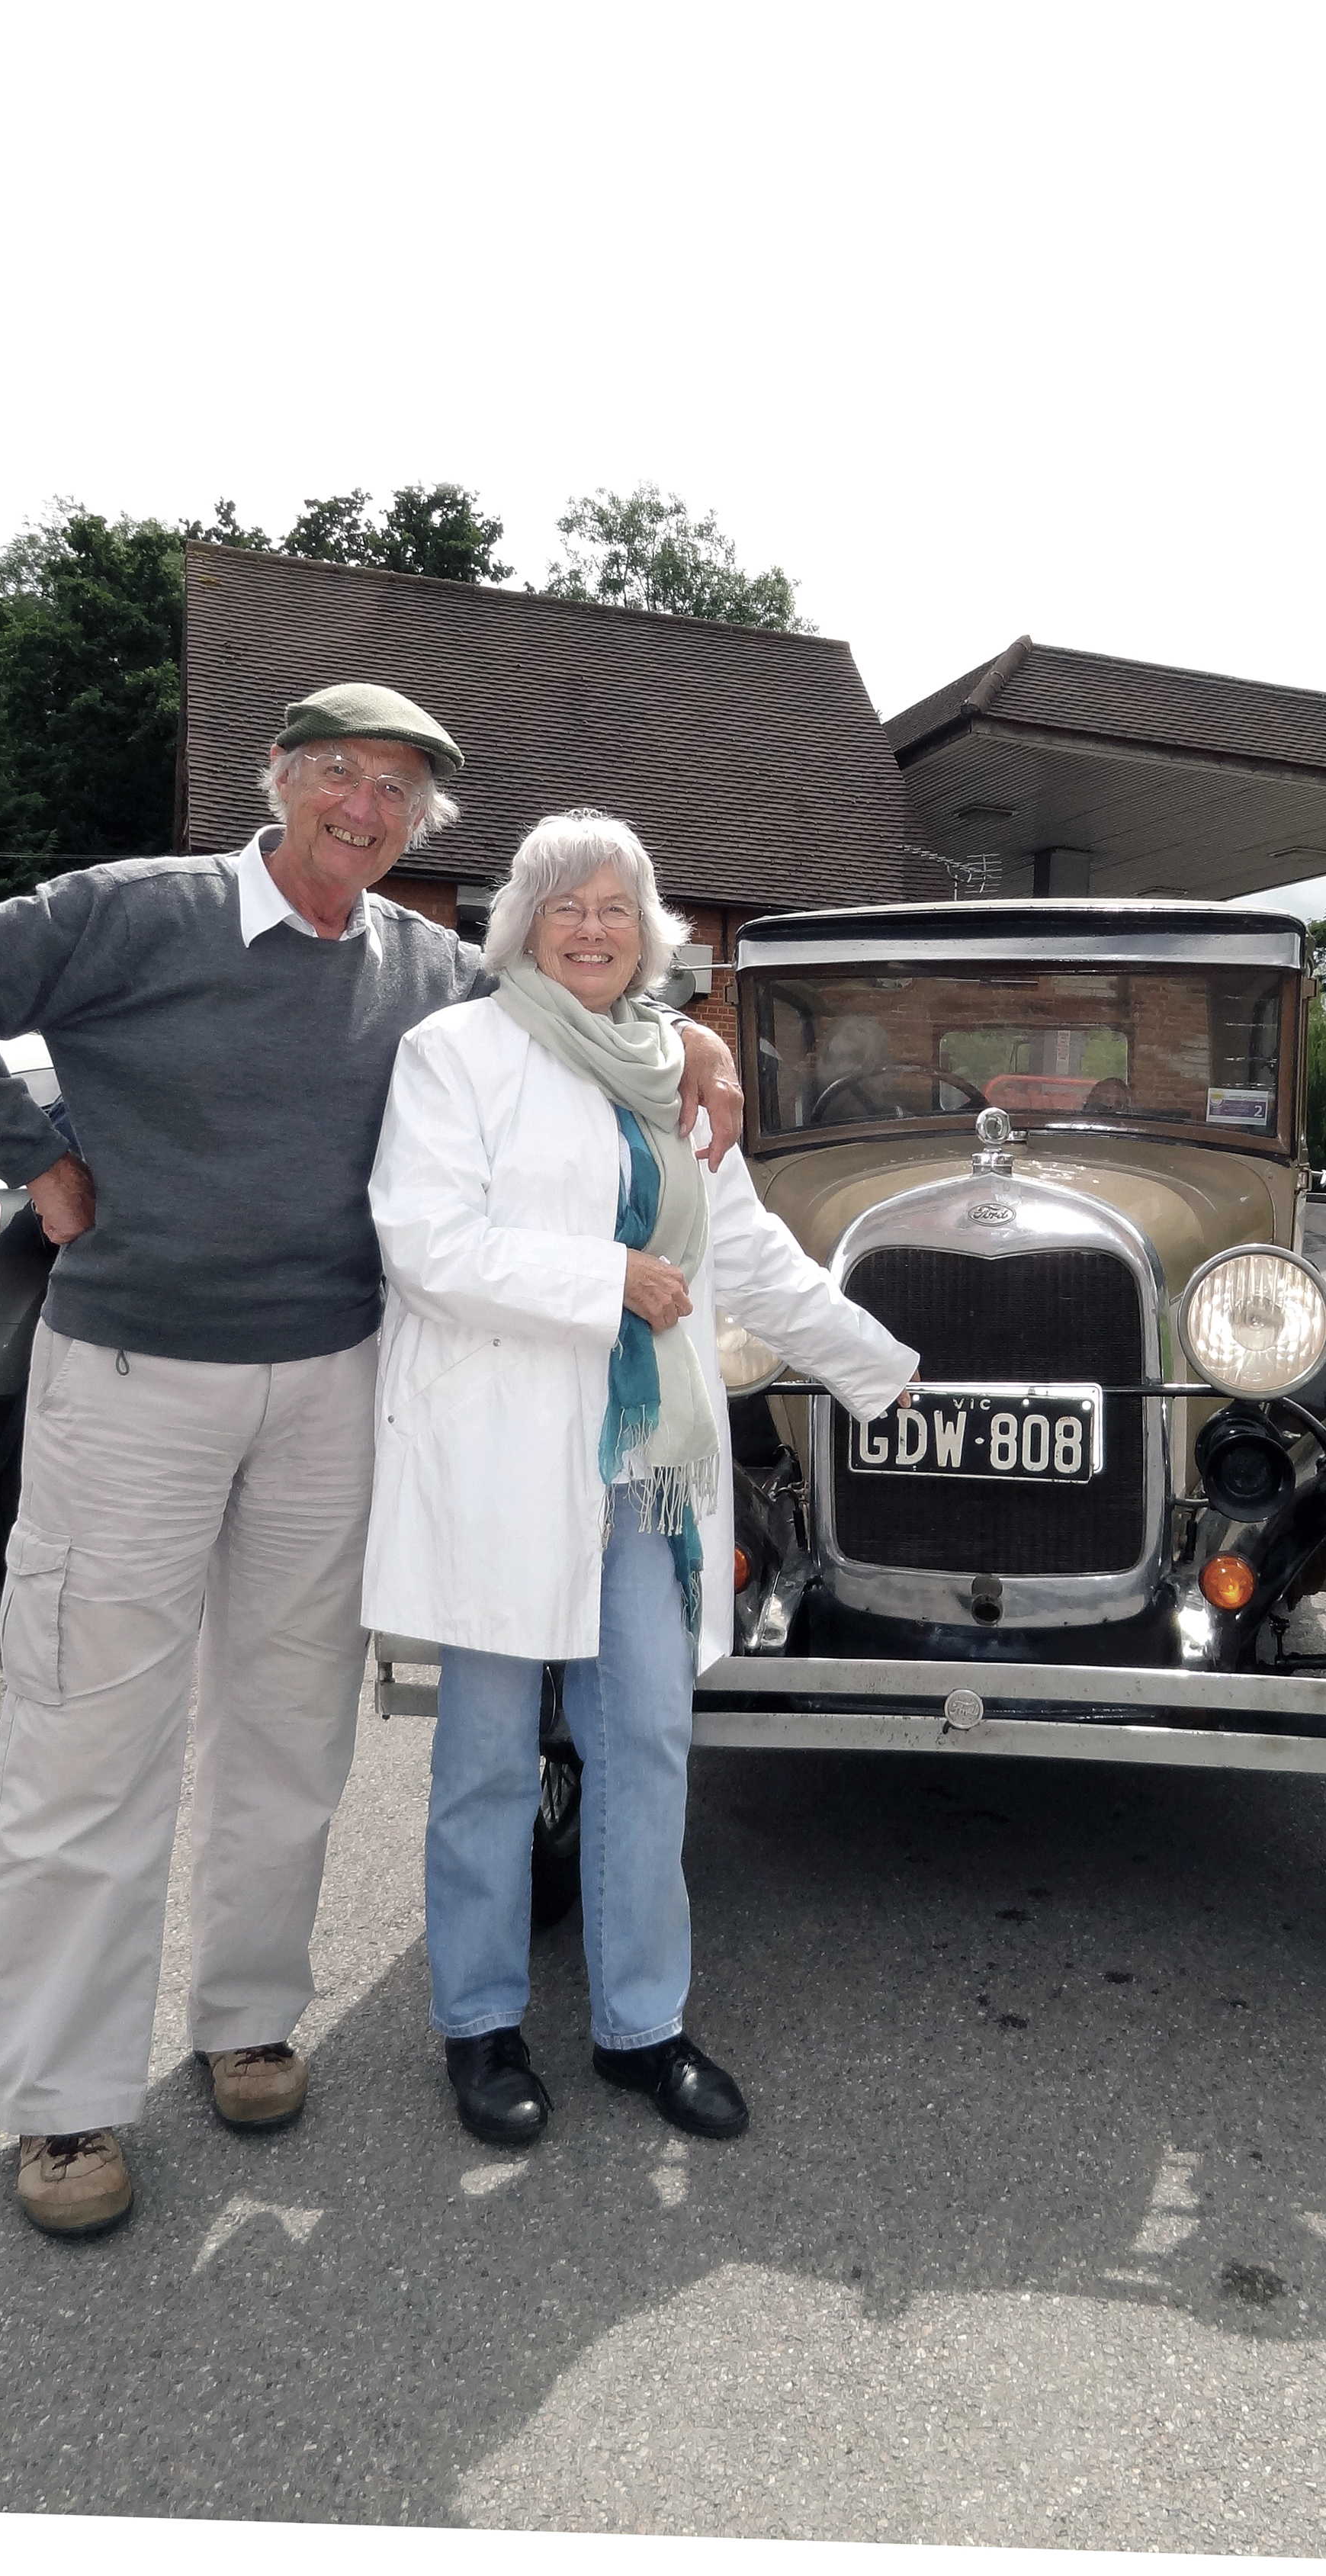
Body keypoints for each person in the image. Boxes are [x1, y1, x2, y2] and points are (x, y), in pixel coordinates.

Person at [0, 685, 743, 2236]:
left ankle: (248, 2019)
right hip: (135, 1379)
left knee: (290, 1729)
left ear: (420, 825)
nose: (362, 804)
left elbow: (579, 1019)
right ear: (277, 778)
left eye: (396, 788)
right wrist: (34, 1160)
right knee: (92, 1743)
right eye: (336, 771)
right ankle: (66, 2109)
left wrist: (710, 1052)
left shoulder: (417, 971)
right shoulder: (136, 913)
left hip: (333, 1385)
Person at [362, 811, 917, 2146]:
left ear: (652, 927)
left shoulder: (671, 1069)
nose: (595, 929)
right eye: (568, 906)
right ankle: (482, 2024)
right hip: (504, 1461)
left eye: (618, 907)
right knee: (491, 1755)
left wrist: (886, 1366)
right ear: (524, 926)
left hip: (641, 1478)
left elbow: (750, 1252)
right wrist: (605, 1278)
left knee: (647, 1741)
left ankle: (641, 2027)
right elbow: (424, 1242)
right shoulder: (458, 1052)